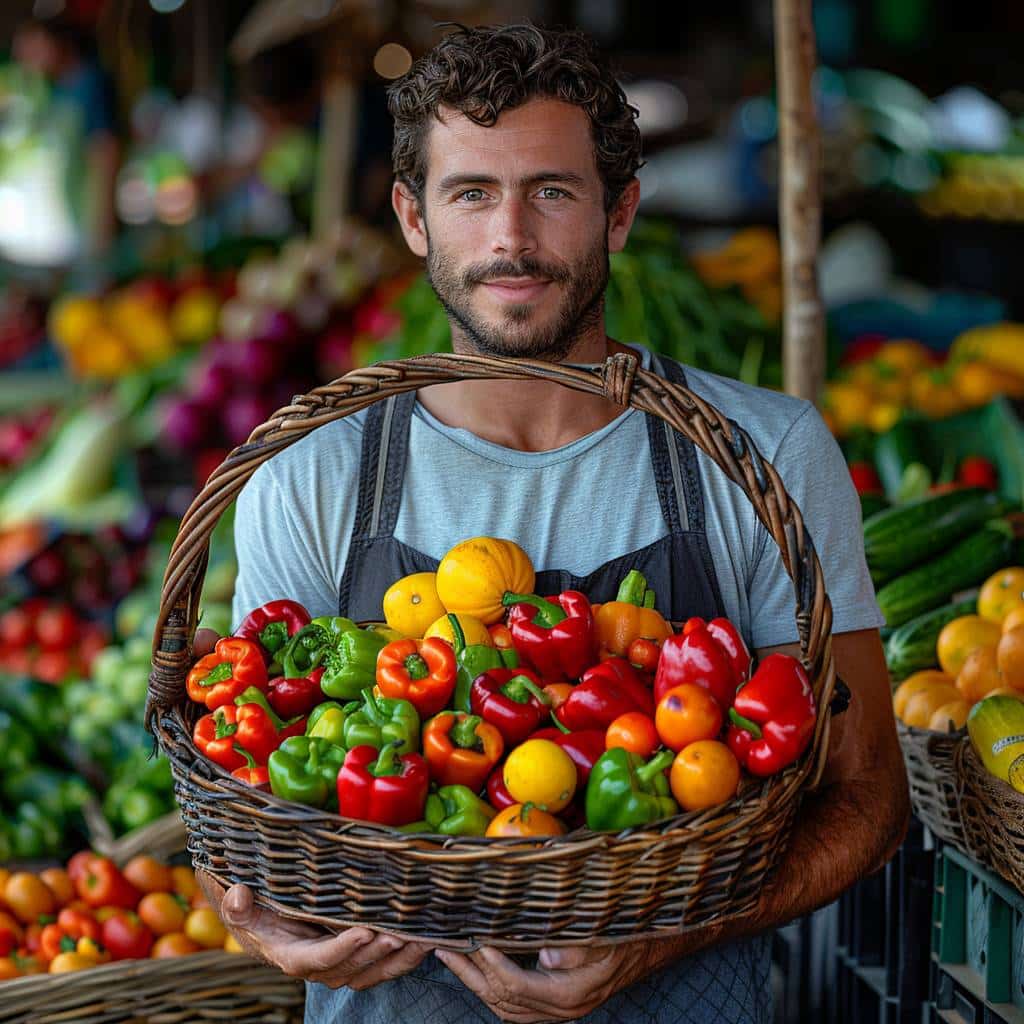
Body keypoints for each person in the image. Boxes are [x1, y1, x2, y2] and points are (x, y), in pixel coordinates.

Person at [197, 23, 909, 1024]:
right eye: (471, 193)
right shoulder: (313, 474)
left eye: (554, 192)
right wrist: (251, 915)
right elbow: (235, 802)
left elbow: (868, 797)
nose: (511, 240)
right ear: (413, 217)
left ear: (618, 215)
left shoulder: (767, 454)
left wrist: (673, 929)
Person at [12, 15, 119, 265]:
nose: (28, 58)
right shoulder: (56, 90)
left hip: (93, 218)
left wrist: (101, 227)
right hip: (70, 222)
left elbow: (106, 152)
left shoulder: (91, 84)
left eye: (34, 46)